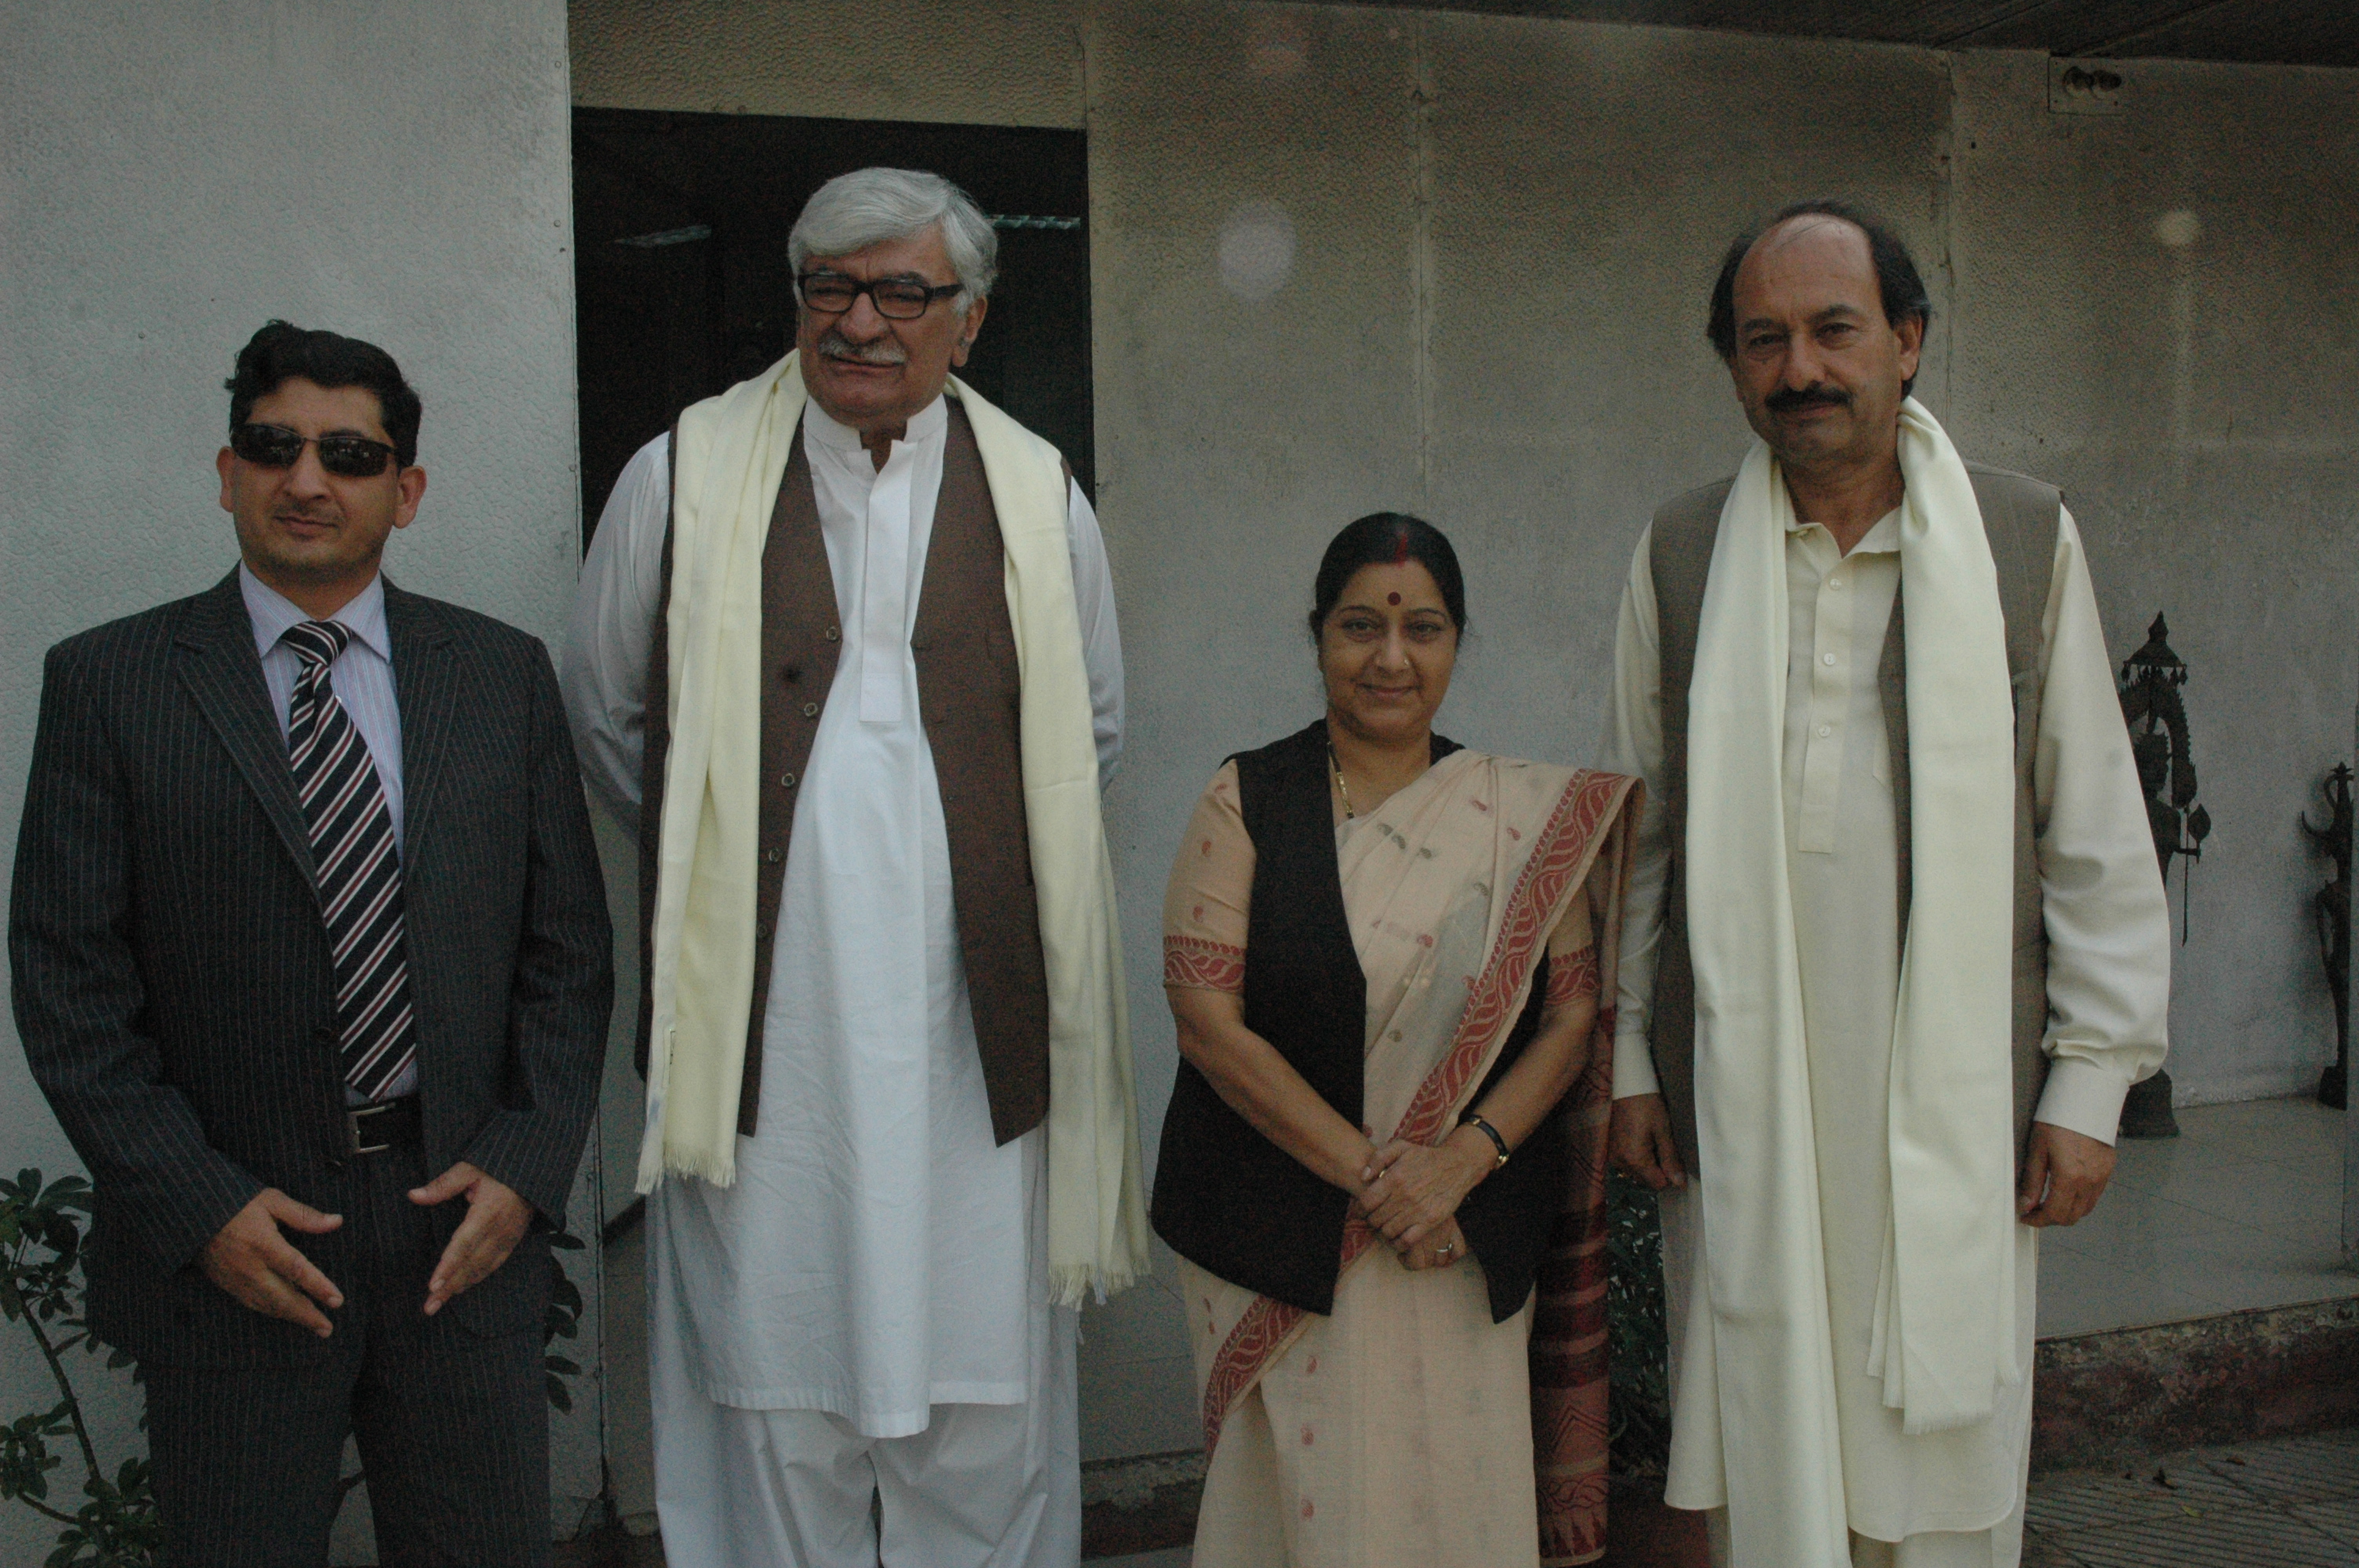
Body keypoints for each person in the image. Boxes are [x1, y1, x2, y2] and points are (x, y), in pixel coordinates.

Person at [562, 166, 1148, 1568]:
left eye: (903, 291)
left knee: (982, 1403)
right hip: (764, 1058)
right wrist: (743, 870)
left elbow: (1096, 733)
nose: (862, 322)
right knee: (771, 1402)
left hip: (973, 1054)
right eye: (830, 287)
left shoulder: (1039, 498)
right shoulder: (682, 476)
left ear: (972, 318)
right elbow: (605, 712)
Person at [1601, 201, 2172, 1567]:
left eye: (1835, 330)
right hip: (1744, 1106)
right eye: (1765, 340)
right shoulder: (1682, 553)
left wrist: (2091, 1083)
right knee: (1760, 1440)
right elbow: (1642, 837)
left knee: (1938, 1466)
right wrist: (1628, 1055)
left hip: (1954, 1105)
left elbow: (2091, 823)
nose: (1801, 368)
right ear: (1732, 367)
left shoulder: (2022, 541)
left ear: (1908, 343)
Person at [9, 321, 614, 1566]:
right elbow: (68, 985)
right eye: (273, 446)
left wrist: (525, 1163)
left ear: (406, 491)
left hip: (461, 1228)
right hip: (242, 1245)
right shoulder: (111, 683)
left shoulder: (499, 678)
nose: (306, 479)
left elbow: (567, 955)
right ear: (226, 471)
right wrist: (198, 1204)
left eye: (348, 452)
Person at [1153, 513, 1639, 1568]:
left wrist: (1460, 1164)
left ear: (1458, 641)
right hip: (1287, 1235)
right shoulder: (1246, 799)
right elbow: (1207, 1023)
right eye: (1359, 626)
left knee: (1452, 1503)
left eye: (1422, 628)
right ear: (1317, 635)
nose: (1390, 657)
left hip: (1463, 1232)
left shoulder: (1524, 821)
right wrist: (1385, 1186)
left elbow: (1570, 1015)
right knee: (1303, 1512)